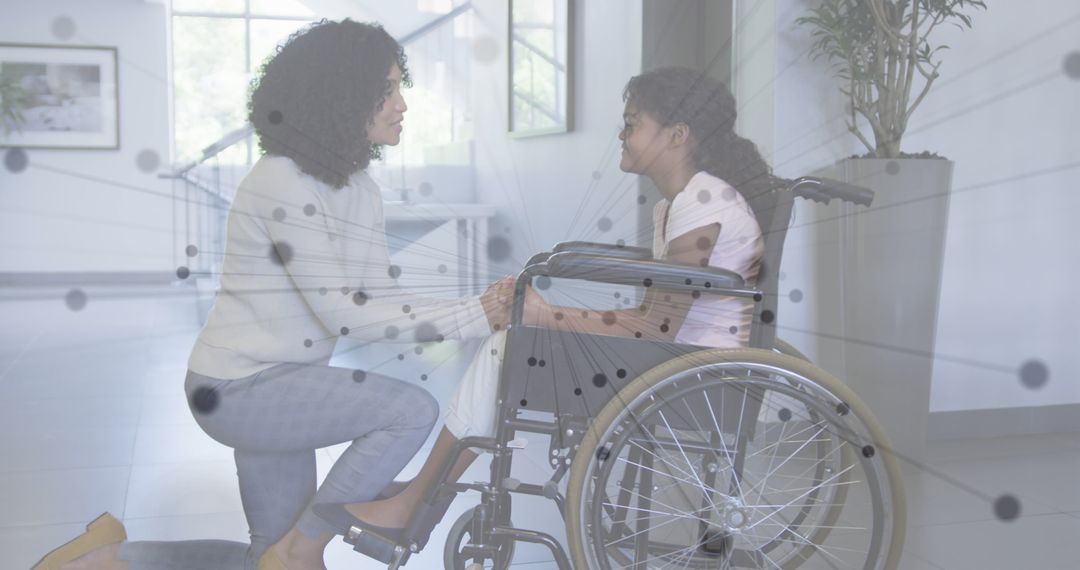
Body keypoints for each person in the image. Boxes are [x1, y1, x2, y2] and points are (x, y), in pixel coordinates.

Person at [31, 19, 514, 570]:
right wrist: (476, 314)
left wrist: (479, 310)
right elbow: (344, 312)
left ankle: (109, 558)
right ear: (341, 95)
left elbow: (377, 299)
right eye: (387, 90)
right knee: (407, 413)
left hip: (289, 385)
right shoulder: (278, 181)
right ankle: (305, 544)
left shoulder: (360, 190)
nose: (401, 104)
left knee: (269, 559)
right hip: (238, 388)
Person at [327, 65, 774, 560]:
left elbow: (655, 326)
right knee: (512, 340)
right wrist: (546, 313)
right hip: (677, 362)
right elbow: (656, 317)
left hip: (694, 377)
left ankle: (418, 499)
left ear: (676, 135)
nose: (621, 135)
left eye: (631, 122)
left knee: (508, 345)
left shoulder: (702, 199)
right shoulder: (683, 202)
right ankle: (422, 494)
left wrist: (547, 314)